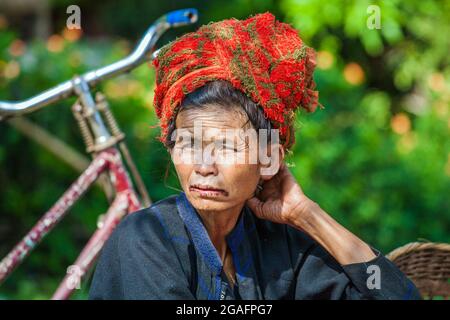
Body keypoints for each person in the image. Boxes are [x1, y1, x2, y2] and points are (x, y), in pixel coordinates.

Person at [88, 12, 421, 300]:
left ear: (269, 159)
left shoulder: (282, 248)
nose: (204, 167)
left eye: (227, 147)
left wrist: (307, 215)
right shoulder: (146, 239)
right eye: (188, 144)